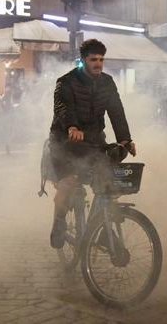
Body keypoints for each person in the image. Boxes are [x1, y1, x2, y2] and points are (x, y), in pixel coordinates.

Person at [48, 39, 136, 249]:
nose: (98, 63)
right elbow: (63, 106)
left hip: (94, 142)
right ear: (83, 60)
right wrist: (72, 127)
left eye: (101, 59)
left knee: (108, 182)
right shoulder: (66, 82)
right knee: (68, 183)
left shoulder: (107, 82)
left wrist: (125, 139)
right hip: (64, 143)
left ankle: (103, 230)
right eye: (93, 59)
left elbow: (116, 111)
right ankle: (59, 222)